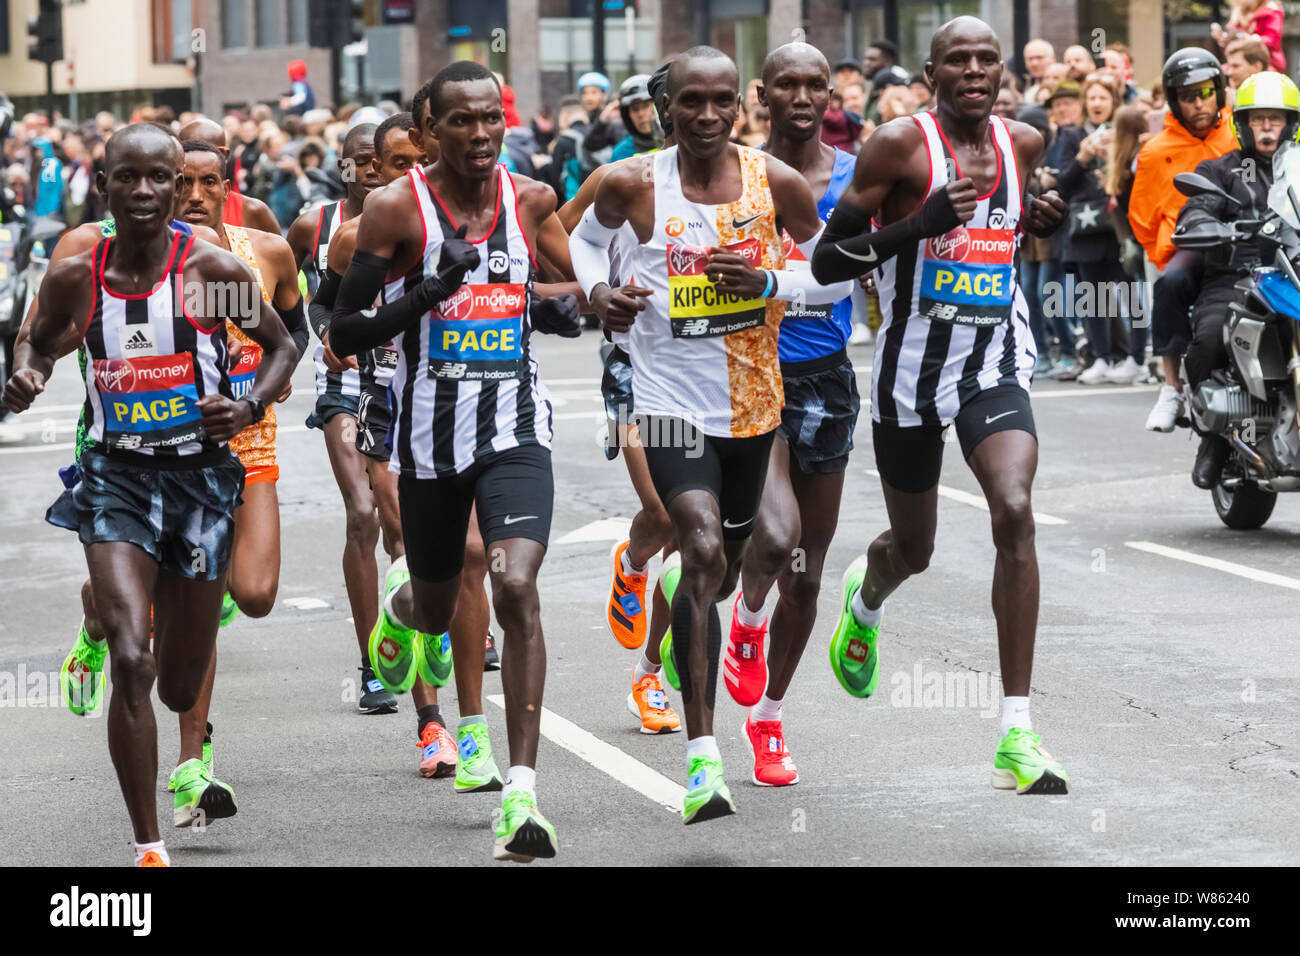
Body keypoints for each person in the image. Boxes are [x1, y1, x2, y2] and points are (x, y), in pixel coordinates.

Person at [2, 123, 296, 866]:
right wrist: (30, 372)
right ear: (103, 186)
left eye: (157, 179)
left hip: (200, 479)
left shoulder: (211, 269)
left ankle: (166, 700)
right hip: (116, 478)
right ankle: (148, 845)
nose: (143, 192)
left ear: (177, 185)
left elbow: (286, 342)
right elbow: (38, 337)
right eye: (125, 178)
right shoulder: (77, 271)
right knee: (133, 659)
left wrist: (250, 403)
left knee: (175, 682)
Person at [811, 15, 1071, 795]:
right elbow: (828, 259)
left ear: (1002, 75)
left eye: (987, 59)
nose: (975, 70)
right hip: (909, 374)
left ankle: (1016, 733)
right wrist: (918, 226)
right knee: (915, 547)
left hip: (994, 361)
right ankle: (867, 598)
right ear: (932, 73)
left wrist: (1042, 229)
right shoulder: (897, 147)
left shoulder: (1025, 144)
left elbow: (1020, 238)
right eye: (958, 60)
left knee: (1015, 508)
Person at [330, 61, 583, 862]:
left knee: (512, 583)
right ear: (429, 130)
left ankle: (522, 795)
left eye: (492, 120)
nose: (480, 135)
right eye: (462, 122)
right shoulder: (394, 209)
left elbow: (562, 293)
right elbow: (344, 333)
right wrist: (425, 294)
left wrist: (588, 301)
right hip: (428, 444)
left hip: (516, 431)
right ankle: (402, 616)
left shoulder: (531, 198)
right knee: (439, 609)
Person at [570, 46, 826, 821]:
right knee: (705, 547)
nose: (707, 116)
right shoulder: (631, 182)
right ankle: (704, 758)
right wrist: (598, 292)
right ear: (665, 107)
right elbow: (580, 240)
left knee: (735, 558)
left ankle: (686, 640)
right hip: (666, 403)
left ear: (739, 107)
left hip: (751, 404)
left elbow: (835, 270)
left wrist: (774, 283)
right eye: (691, 103)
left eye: (722, 102)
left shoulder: (774, 182)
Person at [721, 43, 859, 786]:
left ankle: (769, 719)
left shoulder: (855, 174)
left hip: (827, 380)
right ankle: (744, 622)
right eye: (787, 84)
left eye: (816, 83)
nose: (803, 96)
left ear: (829, 92)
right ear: (762, 92)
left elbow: (842, 279)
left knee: (808, 572)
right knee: (775, 539)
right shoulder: (730, 172)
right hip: (748, 370)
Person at [558, 61, 683, 736]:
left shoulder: (740, 178)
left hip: (721, 372)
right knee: (662, 514)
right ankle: (633, 561)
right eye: (675, 103)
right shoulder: (623, 175)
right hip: (635, 364)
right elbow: (559, 232)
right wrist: (596, 291)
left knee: (702, 537)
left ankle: (650, 675)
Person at [285, 121, 401, 713]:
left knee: (402, 524)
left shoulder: (419, 214)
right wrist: (328, 333)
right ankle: (370, 668)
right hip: (344, 383)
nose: (374, 172)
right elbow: (305, 295)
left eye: (382, 161)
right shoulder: (317, 225)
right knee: (363, 513)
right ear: (348, 166)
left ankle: (416, 620)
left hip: (406, 383)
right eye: (363, 162)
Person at [1173, 71, 1297, 488]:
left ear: (1291, 124)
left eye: (1275, 119)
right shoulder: (1221, 169)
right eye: (1258, 118)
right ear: (1241, 124)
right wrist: (1209, 224)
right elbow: (1197, 206)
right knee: (1210, 336)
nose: (1267, 127)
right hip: (1237, 273)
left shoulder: (1298, 169)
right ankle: (1215, 440)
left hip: (1291, 273)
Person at [1128, 48, 1237, 432]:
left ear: (1220, 91)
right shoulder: (1155, 151)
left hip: (1243, 241)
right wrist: (1165, 251)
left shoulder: (1241, 134)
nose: (1198, 103)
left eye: (1206, 92)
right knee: (1169, 283)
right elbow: (1140, 216)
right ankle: (1171, 388)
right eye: (1187, 96)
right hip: (1189, 247)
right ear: (1174, 101)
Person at [1058, 73, 1146, 385]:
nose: (1096, 103)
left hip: (1119, 226)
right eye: (1091, 98)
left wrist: (1113, 155)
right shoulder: (1071, 135)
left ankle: (1138, 359)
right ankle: (1101, 358)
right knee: (1091, 295)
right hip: (1085, 227)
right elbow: (1061, 184)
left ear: (1113, 102)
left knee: (1130, 291)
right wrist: (1083, 158)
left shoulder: (1126, 133)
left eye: (1102, 98)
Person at [177, 116, 281, 235]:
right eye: (189, 151)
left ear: (224, 155)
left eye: (208, 153)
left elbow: (279, 250)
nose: (196, 196)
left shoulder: (252, 210)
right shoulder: (165, 211)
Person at [1213, 0, 1286, 73]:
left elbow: (1272, 40)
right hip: (1240, 62)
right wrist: (1222, 39)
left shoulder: (1271, 11)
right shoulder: (1238, 13)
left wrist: (1250, 39)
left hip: (1267, 63)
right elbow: (1232, 47)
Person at [610, 74, 665, 160]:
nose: (640, 114)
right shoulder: (621, 153)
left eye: (646, 106)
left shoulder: (678, 144)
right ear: (627, 116)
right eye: (635, 109)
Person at [1022, 39, 1056, 103]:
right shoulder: (1029, 92)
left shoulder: (1062, 88)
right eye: (1030, 59)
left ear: (1053, 59)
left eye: (1039, 58)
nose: (1034, 63)